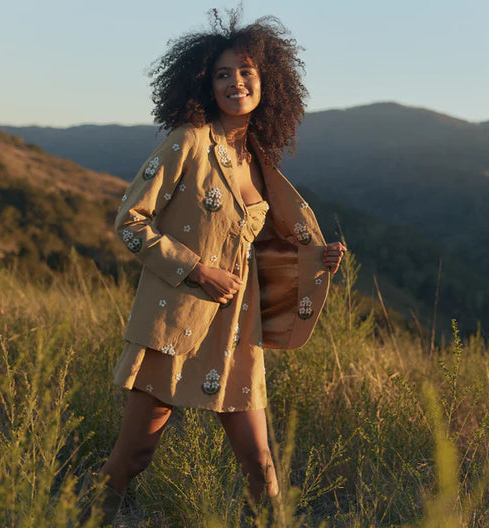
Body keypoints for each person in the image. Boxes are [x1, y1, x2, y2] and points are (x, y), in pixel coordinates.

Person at [78, 9, 346, 526]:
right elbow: (130, 222)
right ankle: (84, 518)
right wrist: (198, 270)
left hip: (237, 333)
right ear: (205, 83)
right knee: (131, 459)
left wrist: (318, 259)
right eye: (223, 74)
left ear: (268, 81)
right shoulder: (189, 140)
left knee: (262, 468)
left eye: (246, 71)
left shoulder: (258, 159)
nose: (235, 82)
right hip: (177, 323)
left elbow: (259, 248)